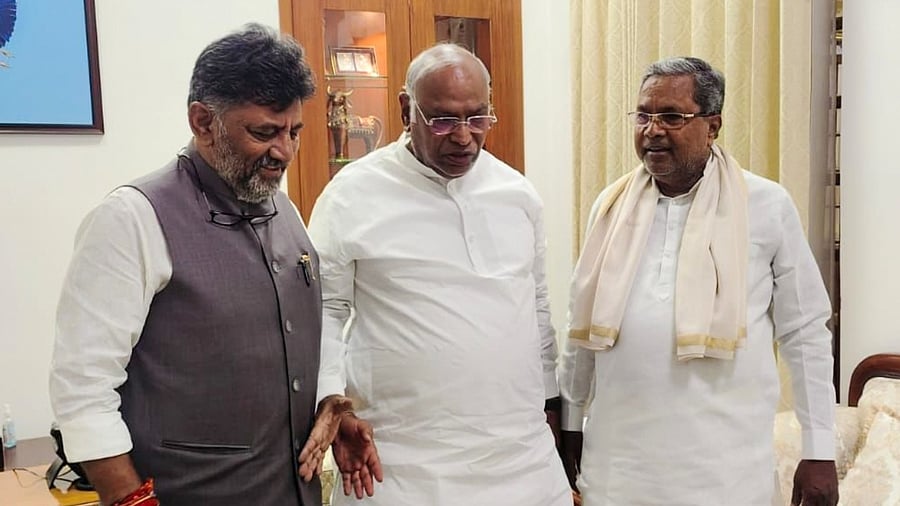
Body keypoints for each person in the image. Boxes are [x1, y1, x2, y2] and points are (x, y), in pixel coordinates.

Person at [49, 24, 380, 506]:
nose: (283, 151)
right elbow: (81, 388)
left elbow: (309, 326)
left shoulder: (283, 210)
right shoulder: (131, 219)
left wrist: (330, 402)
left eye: (294, 132)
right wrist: (130, 501)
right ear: (203, 121)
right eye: (263, 132)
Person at [559, 56, 839, 506]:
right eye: (644, 115)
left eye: (672, 116)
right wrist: (570, 421)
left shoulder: (766, 205)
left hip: (725, 474)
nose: (652, 130)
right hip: (617, 469)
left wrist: (819, 450)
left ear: (713, 125)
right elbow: (581, 325)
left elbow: (804, 333)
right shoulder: (609, 207)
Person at [308, 43, 572, 505]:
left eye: (478, 118)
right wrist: (330, 401)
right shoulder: (351, 193)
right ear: (406, 109)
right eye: (445, 119)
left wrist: (551, 404)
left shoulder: (518, 194)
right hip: (400, 460)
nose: (464, 136)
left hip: (519, 455)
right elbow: (325, 309)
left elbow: (536, 305)